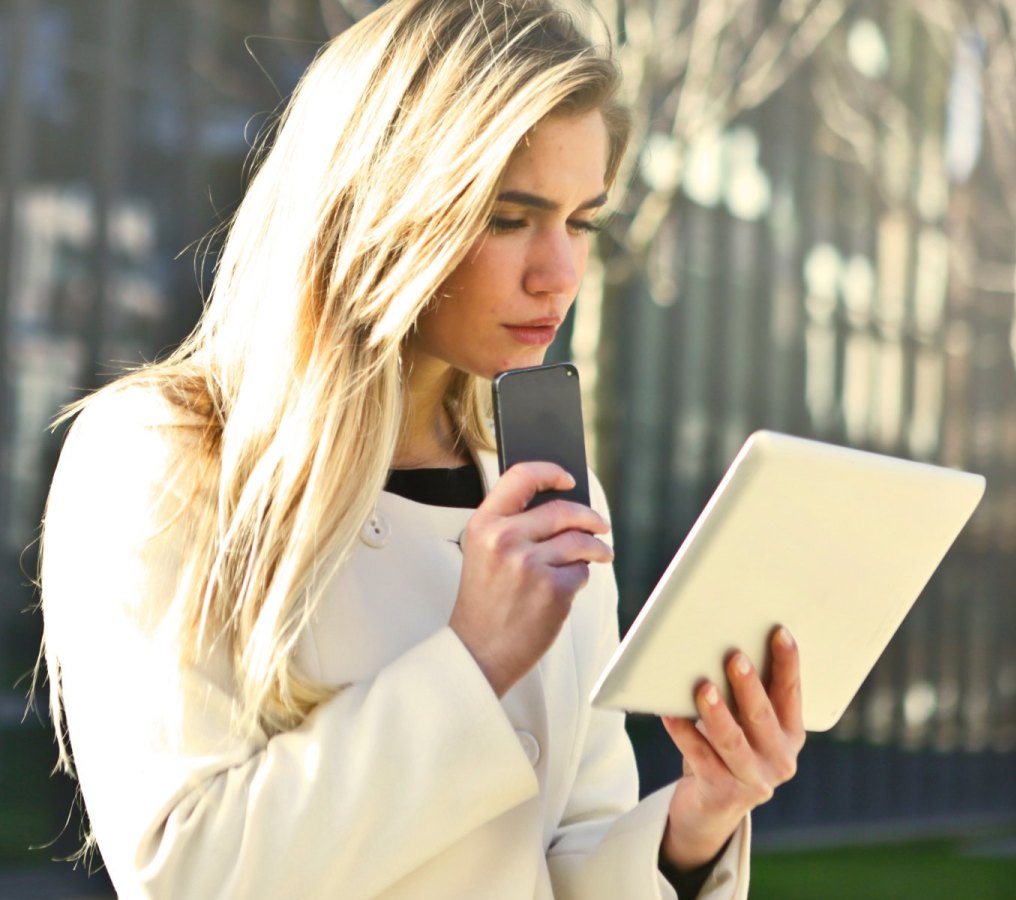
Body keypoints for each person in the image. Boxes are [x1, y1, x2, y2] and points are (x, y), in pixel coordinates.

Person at [38, 1, 806, 897]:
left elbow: (561, 852)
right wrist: (472, 660)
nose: (559, 272)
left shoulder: (549, 486)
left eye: (582, 221)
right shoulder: (163, 459)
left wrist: (693, 825)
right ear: (388, 207)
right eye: (510, 217)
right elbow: (188, 872)